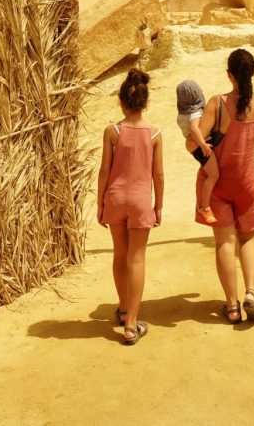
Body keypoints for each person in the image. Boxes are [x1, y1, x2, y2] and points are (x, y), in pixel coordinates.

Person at [193, 49, 254, 324]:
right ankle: (251, 292)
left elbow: (196, 142)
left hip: (220, 185)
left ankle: (232, 306)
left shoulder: (218, 103)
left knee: (225, 242)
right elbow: (253, 136)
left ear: (229, 74)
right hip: (248, 182)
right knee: (248, 237)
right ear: (253, 73)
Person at [96, 68, 164, 345]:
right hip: (139, 201)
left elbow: (104, 170)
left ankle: (124, 310)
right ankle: (132, 325)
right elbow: (158, 175)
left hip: (115, 197)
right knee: (137, 259)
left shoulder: (112, 131)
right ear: (145, 103)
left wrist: (99, 203)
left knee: (120, 255)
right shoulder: (155, 133)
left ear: (122, 102)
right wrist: (158, 205)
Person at [175, 80, 219, 224]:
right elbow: (194, 128)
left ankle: (204, 206)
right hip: (200, 147)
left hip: (195, 147)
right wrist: (203, 145)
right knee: (213, 175)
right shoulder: (195, 113)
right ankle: (204, 207)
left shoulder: (183, 114)